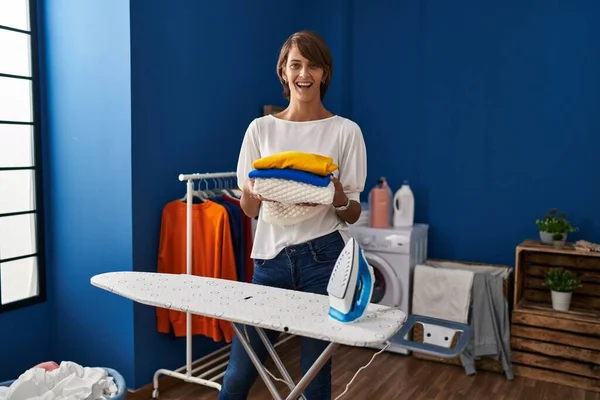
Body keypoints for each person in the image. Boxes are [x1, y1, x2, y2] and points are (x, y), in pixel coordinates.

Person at [218, 30, 367, 400]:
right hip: (270, 261)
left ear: (325, 74)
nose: (305, 73)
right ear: (283, 72)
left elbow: (352, 213)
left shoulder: (345, 132)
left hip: (325, 260)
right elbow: (250, 210)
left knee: (315, 380)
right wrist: (252, 194)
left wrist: (335, 197)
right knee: (239, 373)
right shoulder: (261, 130)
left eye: (313, 65)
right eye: (296, 64)